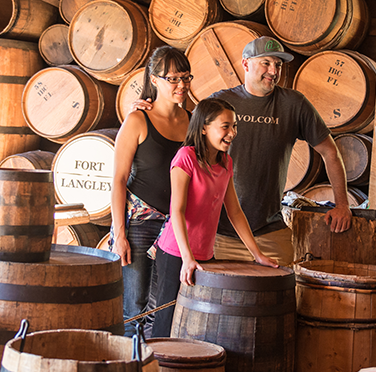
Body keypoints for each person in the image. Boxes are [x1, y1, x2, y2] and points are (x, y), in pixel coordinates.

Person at [137, 36, 352, 266]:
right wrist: (147, 111)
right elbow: (180, 140)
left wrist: (342, 204)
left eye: (278, 65)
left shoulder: (294, 104)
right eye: (266, 63)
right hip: (218, 235)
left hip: (270, 232)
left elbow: (330, 152)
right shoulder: (219, 102)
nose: (273, 70)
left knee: (280, 298)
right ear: (246, 64)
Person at [148, 98, 278, 338]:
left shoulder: (225, 161)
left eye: (234, 126)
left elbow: (235, 212)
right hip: (176, 253)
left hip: (206, 255)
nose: (232, 133)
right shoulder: (185, 157)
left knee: (197, 325)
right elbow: (176, 210)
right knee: (167, 322)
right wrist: (187, 259)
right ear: (204, 127)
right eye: (225, 126)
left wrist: (257, 254)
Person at [110, 46, 191, 337]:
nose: (181, 85)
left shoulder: (192, 122)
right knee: (134, 309)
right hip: (139, 224)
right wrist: (120, 235)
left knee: (166, 307)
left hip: (176, 226)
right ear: (154, 80)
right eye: (173, 79)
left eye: (185, 78)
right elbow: (118, 180)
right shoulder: (137, 121)